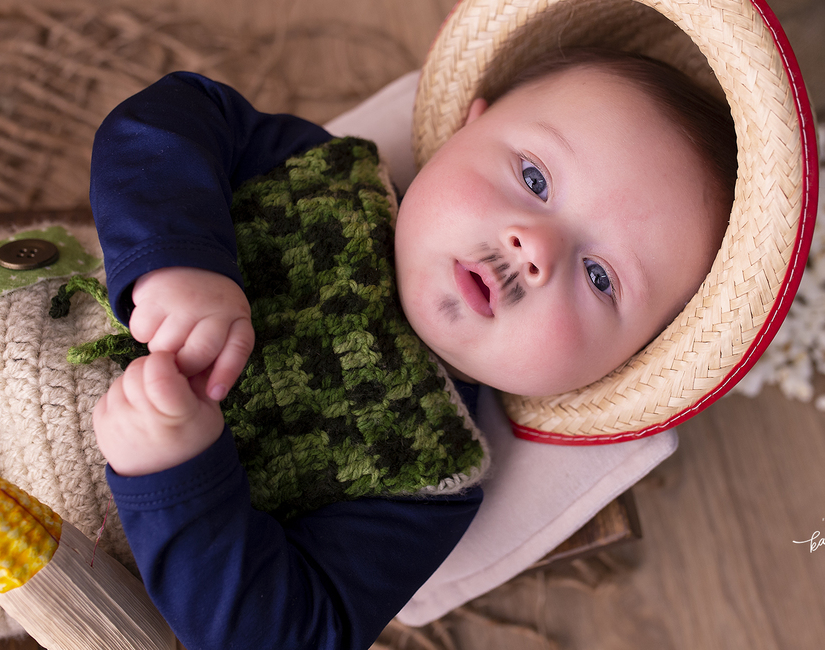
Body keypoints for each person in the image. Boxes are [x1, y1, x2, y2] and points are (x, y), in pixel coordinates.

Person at [89, 47, 736, 649]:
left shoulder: (422, 481)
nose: (534, 247)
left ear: (613, 370)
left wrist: (175, 474)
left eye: (601, 278)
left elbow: (280, 634)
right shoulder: (322, 171)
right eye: (535, 178)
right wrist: (177, 262)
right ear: (465, 129)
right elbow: (164, 118)